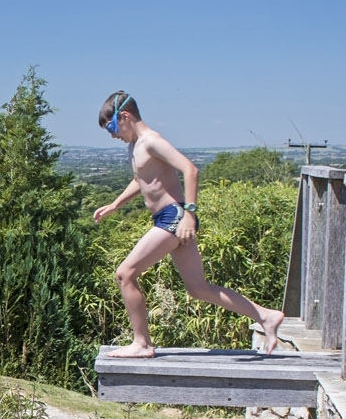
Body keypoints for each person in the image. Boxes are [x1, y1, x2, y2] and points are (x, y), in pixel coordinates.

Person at [92, 91, 285, 359]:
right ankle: (265, 315)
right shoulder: (135, 147)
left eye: (112, 128)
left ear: (125, 116)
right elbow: (142, 180)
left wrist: (189, 214)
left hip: (174, 218)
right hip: (170, 219)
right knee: (198, 288)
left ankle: (142, 344)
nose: (113, 135)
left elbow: (190, 169)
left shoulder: (151, 142)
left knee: (125, 274)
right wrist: (115, 204)